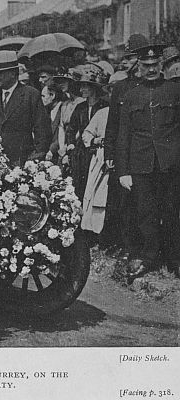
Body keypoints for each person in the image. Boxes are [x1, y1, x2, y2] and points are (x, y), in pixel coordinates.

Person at [116, 44, 180, 280]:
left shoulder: (174, 91)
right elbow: (124, 135)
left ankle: (175, 259)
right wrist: (123, 171)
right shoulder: (131, 96)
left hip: (170, 162)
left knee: (172, 211)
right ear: (139, 67)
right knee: (145, 214)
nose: (151, 69)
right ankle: (149, 257)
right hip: (141, 164)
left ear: (161, 65)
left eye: (155, 65)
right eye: (146, 65)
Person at [103, 33, 148, 260]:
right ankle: (127, 246)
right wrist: (109, 153)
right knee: (123, 202)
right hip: (123, 152)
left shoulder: (151, 85)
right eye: (126, 57)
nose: (126, 62)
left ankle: (146, 249)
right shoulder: (121, 87)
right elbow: (112, 125)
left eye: (131, 57)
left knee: (145, 203)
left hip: (144, 151)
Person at [0, 50, 51, 166]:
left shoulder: (30, 95)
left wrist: (35, 159)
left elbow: (42, 131)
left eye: (1, 73)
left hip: (22, 162)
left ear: (13, 73)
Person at [64, 65, 109, 201]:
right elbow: (71, 129)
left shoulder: (104, 106)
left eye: (85, 87)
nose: (82, 90)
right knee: (80, 184)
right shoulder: (80, 107)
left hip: (99, 150)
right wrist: (70, 144)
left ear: (93, 88)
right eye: (81, 87)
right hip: (81, 152)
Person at [81, 105, 110, 235]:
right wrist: (96, 140)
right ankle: (95, 230)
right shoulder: (103, 113)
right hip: (101, 158)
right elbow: (86, 134)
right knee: (97, 194)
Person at [54, 67, 85, 163]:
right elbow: (61, 127)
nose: (61, 84)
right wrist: (62, 147)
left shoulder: (82, 103)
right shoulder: (64, 104)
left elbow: (81, 128)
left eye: (64, 81)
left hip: (78, 144)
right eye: (59, 82)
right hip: (64, 147)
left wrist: (68, 145)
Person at [41, 84, 65, 163]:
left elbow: (63, 132)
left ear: (52, 95)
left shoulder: (63, 108)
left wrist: (52, 149)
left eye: (43, 96)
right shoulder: (48, 111)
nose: (41, 99)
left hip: (59, 154)